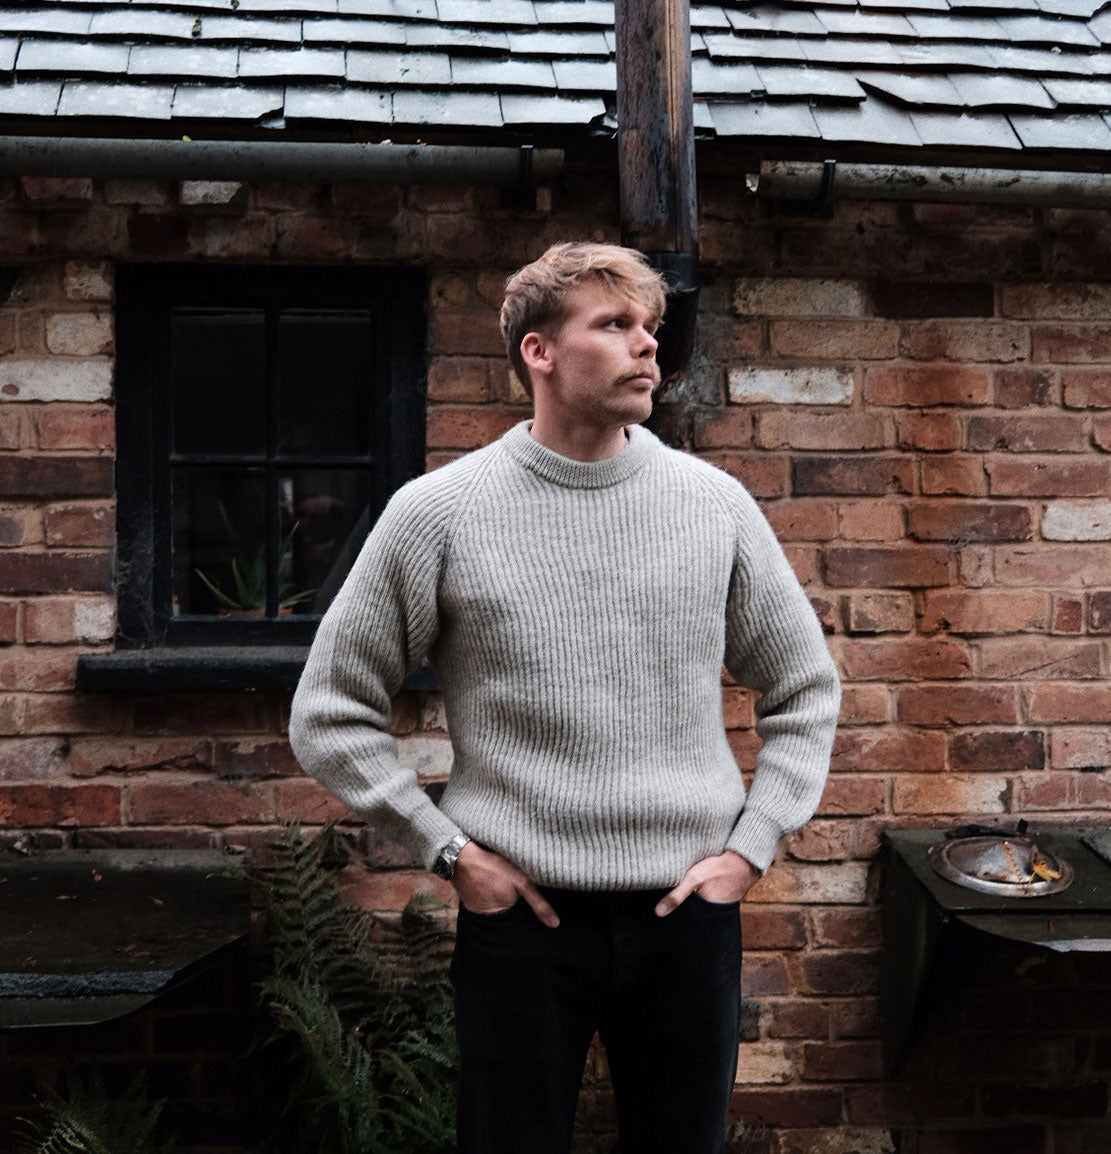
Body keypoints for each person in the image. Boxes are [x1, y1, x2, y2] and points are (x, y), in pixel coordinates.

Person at [289, 241, 841, 1154]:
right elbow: (328, 712)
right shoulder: (440, 512)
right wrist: (449, 851)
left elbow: (803, 689)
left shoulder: (713, 505)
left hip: (686, 916)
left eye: (648, 327)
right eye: (614, 324)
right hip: (520, 921)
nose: (645, 345)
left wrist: (749, 851)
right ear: (538, 351)